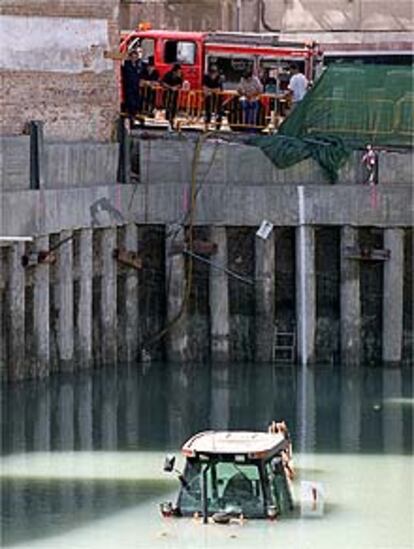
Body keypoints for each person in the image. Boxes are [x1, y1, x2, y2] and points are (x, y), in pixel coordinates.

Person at [122, 49, 144, 126]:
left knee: (136, 102)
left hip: (136, 86)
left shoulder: (139, 65)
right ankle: (131, 118)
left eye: (135, 57)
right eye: (133, 57)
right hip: (129, 86)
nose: (134, 58)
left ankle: (134, 116)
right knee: (130, 102)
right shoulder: (127, 64)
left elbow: (140, 74)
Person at [162, 63, 183, 130]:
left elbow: (180, 84)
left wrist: (176, 87)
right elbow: (163, 82)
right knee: (168, 107)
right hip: (168, 93)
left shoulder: (180, 76)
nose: (180, 72)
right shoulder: (168, 75)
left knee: (173, 107)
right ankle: (168, 121)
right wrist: (170, 87)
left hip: (175, 93)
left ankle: (172, 120)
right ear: (174, 71)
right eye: (178, 71)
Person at [203, 64, 223, 130]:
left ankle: (217, 127)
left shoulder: (219, 78)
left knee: (218, 112)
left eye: (215, 72)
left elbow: (219, 89)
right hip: (208, 97)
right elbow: (204, 87)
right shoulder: (206, 77)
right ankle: (206, 126)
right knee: (207, 112)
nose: (213, 74)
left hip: (217, 98)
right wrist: (212, 90)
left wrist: (210, 90)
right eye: (212, 72)